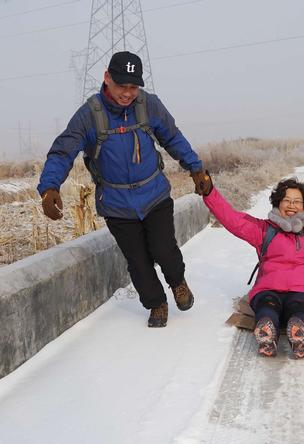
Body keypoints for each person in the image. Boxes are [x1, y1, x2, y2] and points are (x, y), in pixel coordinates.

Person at [38, 51, 211, 328]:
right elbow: (62, 152)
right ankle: (156, 303)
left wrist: (196, 167)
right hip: (117, 202)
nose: (128, 93)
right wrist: (49, 187)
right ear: (107, 78)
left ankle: (177, 282)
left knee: (164, 249)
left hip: (154, 194)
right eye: (122, 86)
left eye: (133, 87)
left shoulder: (149, 105)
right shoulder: (89, 115)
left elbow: (172, 137)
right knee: (138, 262)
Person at [194, 173, 304, 358]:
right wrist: (210, 193)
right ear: (278, 203)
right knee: (267, 307)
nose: (292, 205)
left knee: (299, 308)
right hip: (268, 289)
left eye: (297, 201)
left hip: (301, 292)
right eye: (287, 200)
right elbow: (233, 220)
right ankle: (266, 333)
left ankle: (299, 335)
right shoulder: (263, 231)